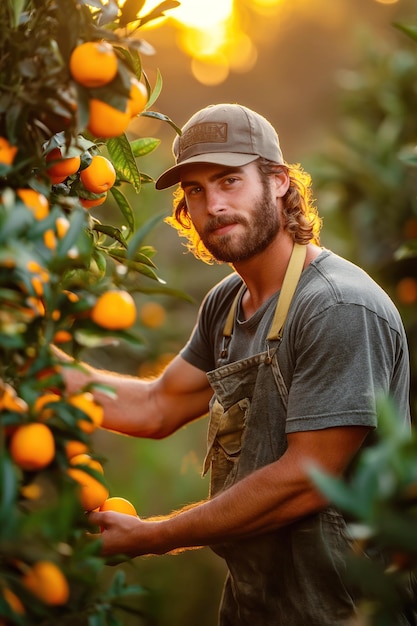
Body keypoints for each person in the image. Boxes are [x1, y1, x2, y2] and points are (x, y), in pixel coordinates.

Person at [62, 103, 411, 625]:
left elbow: (308, 478)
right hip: (258, 604)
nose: (214, 205)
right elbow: (158, 405)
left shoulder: (337, 306)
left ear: (278, 183)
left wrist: (154, 536)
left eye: (229, 180)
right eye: (196, 191)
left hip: (346, 609)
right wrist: (38, 367)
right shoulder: (228, 302)